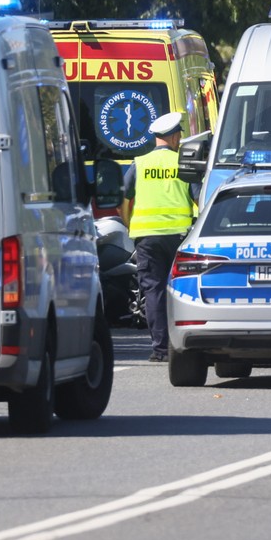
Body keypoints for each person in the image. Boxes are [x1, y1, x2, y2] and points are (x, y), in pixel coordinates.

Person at [120, 118, 196, 362]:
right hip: (180, 237)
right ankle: (187, 344)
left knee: (153, 290)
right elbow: (199, 199)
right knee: (183, 290)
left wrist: (129, 225)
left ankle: (161, 349)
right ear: (174, 137)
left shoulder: (139, 164)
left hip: (147, 238)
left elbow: (124, 199)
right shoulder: (183, 163)